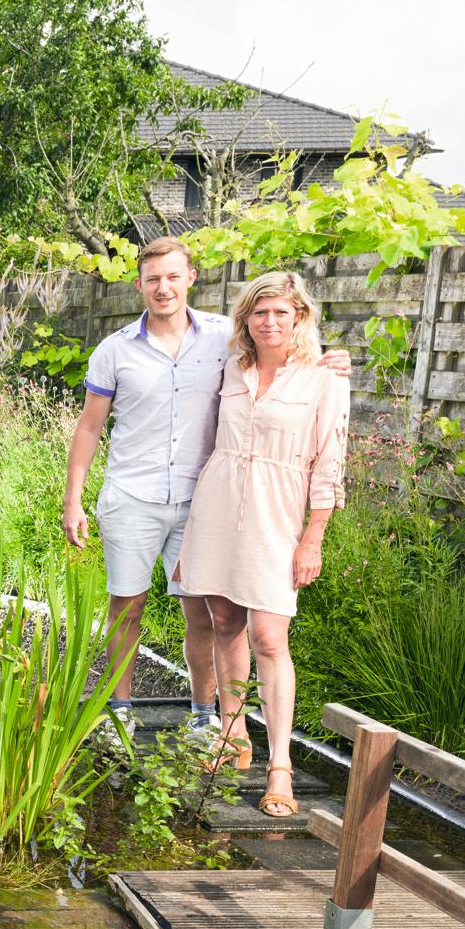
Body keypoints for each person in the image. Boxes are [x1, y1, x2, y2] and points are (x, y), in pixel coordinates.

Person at [61, 239, 347, 742]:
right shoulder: (115, 349)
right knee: (126, 606)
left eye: (173, 276)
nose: (163, 287)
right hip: (132, 494)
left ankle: (202, 714)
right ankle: (121, 709)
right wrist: (73, 499)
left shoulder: (222, 339)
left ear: (191, 277)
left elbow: (282, 361)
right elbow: (88, 428)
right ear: (139, 285)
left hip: (202, 501)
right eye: (153, 279)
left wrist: (330, 363)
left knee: (207, 613)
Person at [174, 270, 350, 817]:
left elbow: (330, 464)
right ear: (245, 320)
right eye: (259, 312)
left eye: (281, 312)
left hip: (278, 513)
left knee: (270, 635)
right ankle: (232, 735)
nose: (270, 322)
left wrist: (312, 538)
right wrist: (187, 534)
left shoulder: (324, 379)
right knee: (223, 622)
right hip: (217, 506)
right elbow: (206, 447)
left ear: (299, 317)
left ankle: (280, 764)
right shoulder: (232, 369)